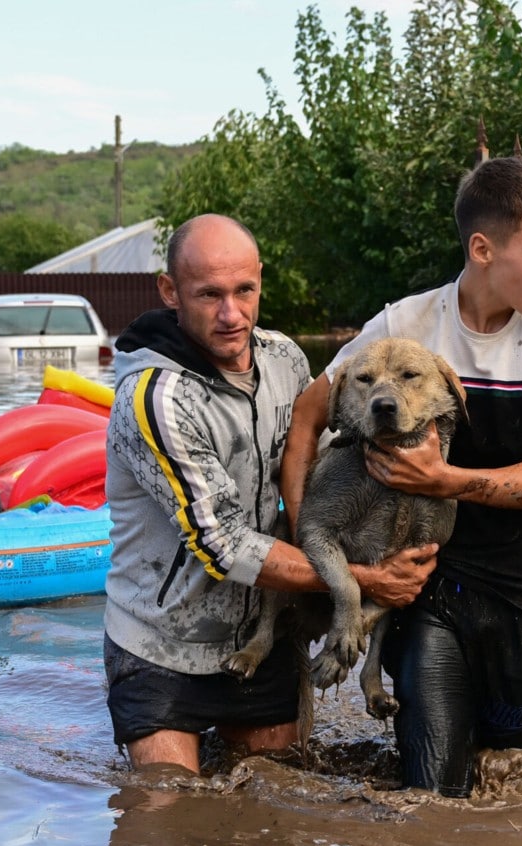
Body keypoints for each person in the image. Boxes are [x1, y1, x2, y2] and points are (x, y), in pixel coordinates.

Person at [282, 157, 522, 798]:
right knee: (432, 792)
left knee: (510, 784)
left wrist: (443, 480)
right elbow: (305, 423)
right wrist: (312, 551)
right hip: (429, 587)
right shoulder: (406, 326)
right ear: (483, 249)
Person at [103, 214, 438, 773]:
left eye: (244, 290)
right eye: (209, 295)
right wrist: (367, 580)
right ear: (170, 292)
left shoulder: (285, 358)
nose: (231, 314)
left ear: (260, 280)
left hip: (266, 629)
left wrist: (424, 478)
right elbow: (225, 547)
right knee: (161, 819)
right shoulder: (156, 400)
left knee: (274, 809)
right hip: (161, 645)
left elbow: (330, 460)